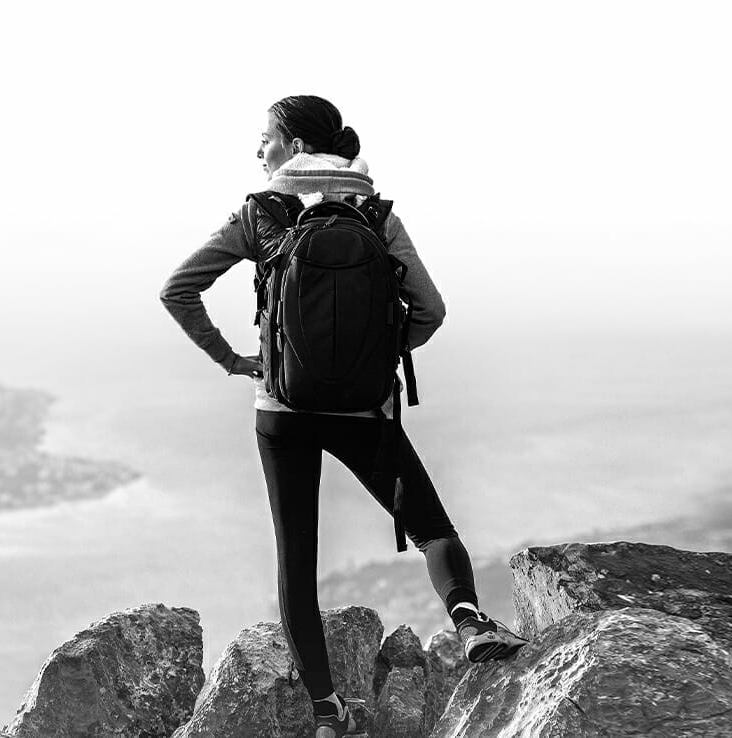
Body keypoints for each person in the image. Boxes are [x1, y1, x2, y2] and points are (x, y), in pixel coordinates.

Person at [159, 95, 528, 737]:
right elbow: (430, 310)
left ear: (296, 146)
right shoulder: (375, 214)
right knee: (431, 528)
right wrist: (374, 357)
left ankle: (329, 715)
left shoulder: (260, 212)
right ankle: (469, 622)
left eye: (266, 139)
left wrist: (236, 360)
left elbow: (178, 289)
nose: (260, 152)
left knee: (296, 562)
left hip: (282, 412)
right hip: (364, 410)